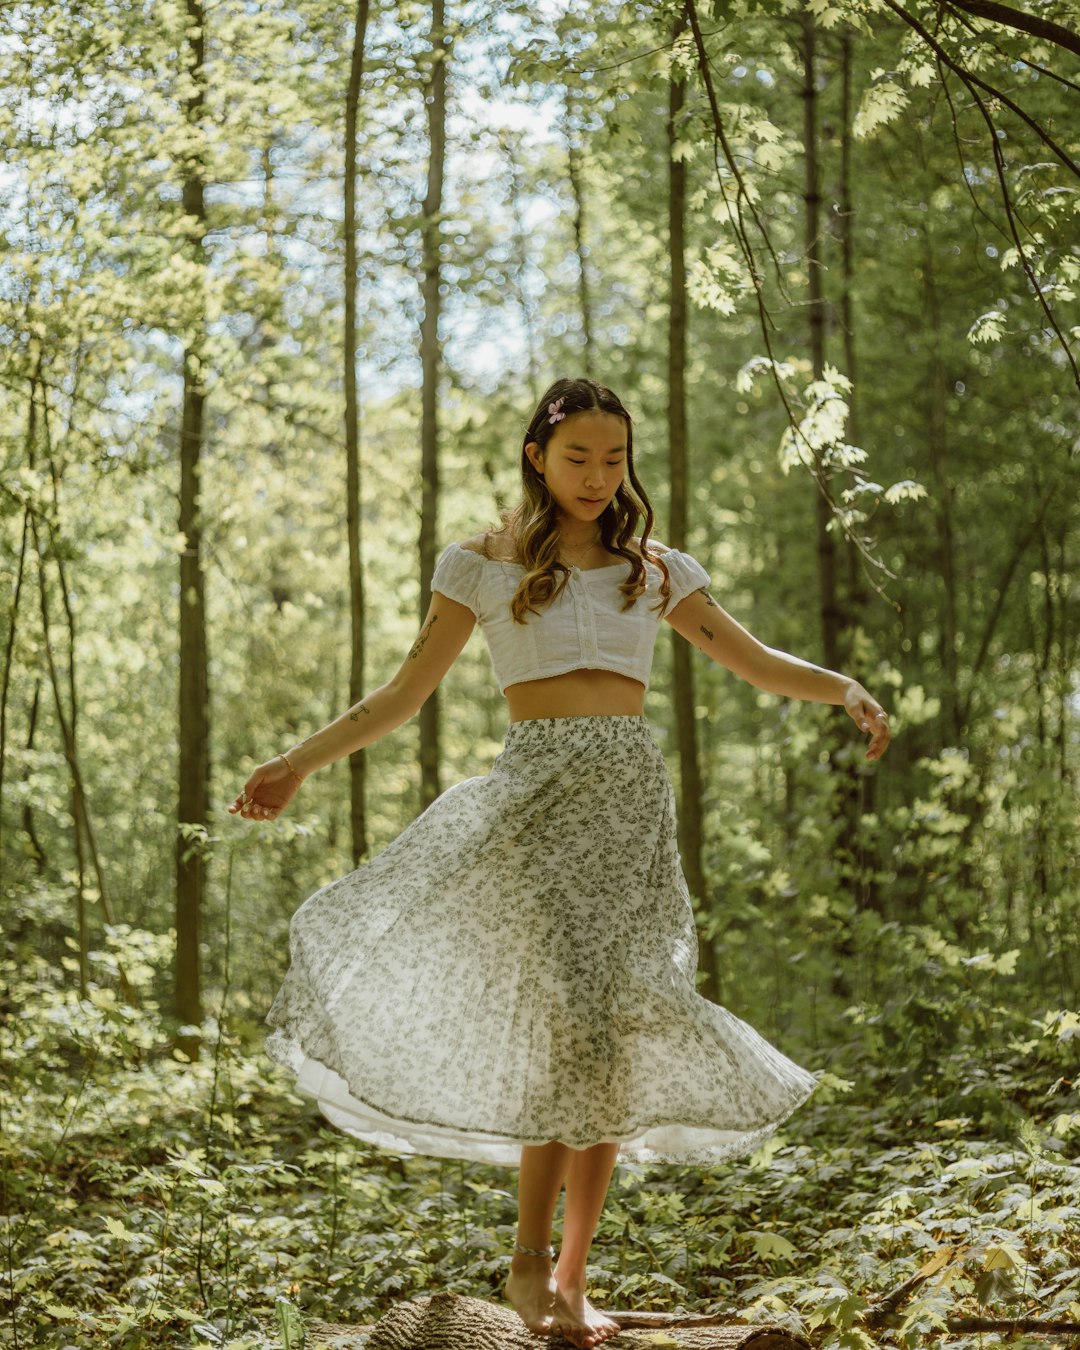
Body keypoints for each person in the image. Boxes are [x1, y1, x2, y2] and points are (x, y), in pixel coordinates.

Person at [230, 376, 891, 1349]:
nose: (597, 475)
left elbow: (752, 660)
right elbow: (403, 695)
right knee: (570, 1023)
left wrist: (846, 690)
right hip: (539, 801)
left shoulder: (656, 570)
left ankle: (574, 1279)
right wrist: (295, 764)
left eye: (614, 458)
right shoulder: (481, 567)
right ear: (538, 456)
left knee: (613, 1034)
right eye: (578, 455)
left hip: (630, 807)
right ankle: (528, 1264)